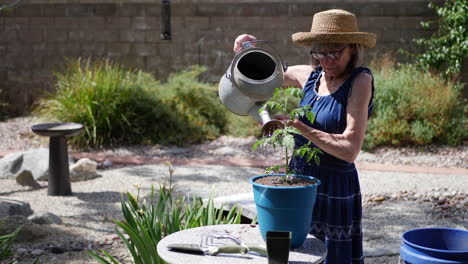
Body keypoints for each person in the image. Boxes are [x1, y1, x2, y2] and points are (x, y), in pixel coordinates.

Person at [233, 9, 376, 264]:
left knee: (332, 257)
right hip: (297, 181)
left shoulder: (359, 81)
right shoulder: (310, 76)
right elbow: (260, 76)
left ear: (352, 49)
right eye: (319, 52)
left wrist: (299, 126)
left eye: (335, 52)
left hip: (334, 187)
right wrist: (245, 51)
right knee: (296, 254)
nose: (326, 60)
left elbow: (350, 148)